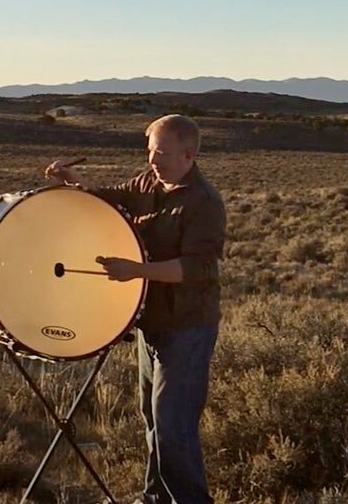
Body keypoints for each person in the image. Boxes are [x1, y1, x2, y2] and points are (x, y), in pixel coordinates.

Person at [45, 114, 226, 504]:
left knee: (172, 427)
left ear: (188, 155)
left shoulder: (204, 203)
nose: (152, 159)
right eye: (149, 150)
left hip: (187, 327)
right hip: (153, 323)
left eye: (161, 152)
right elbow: (116, 197)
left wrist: (137, 271)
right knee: (152, 419)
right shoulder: (148, 182)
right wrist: (79, 186)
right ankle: (154, 498)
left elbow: (196, 269)